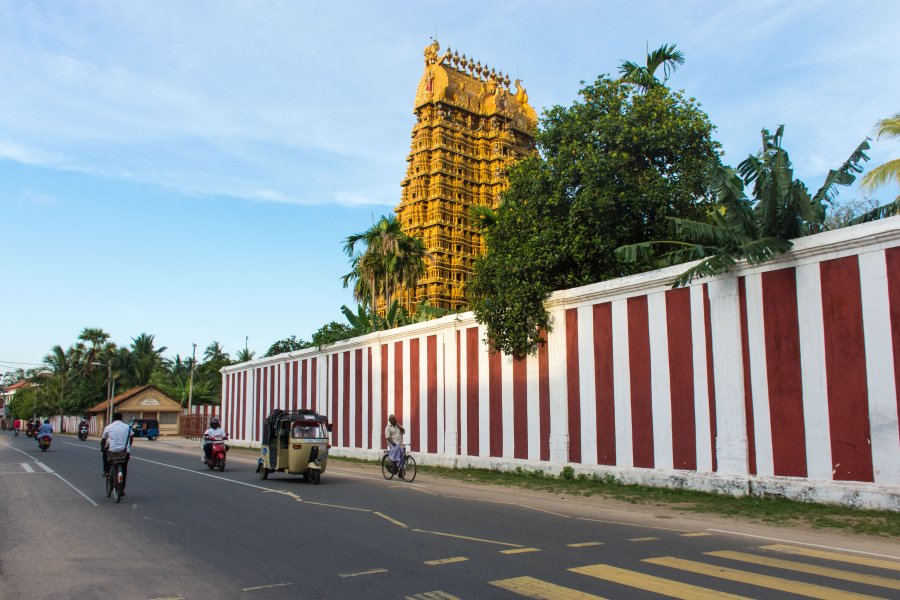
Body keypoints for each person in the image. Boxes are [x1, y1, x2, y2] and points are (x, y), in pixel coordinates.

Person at [101, 412, 133, 496]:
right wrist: (128, 447)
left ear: (113, 419)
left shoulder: (108, 427)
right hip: (125, 452)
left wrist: (102, 448)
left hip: (112, 452)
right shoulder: (127, 427)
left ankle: (106, 471)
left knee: (105, 453)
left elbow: (103, 440)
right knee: (124, 468)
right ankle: (121, 489)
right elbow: (131, 438)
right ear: (121, 418)